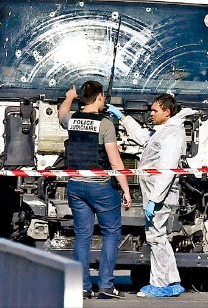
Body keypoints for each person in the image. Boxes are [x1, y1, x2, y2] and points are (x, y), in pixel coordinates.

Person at [107, 93, 194, 298]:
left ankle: (161, 283)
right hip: (156, 195)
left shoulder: (172, 135)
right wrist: (123, 118)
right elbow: (143, 138)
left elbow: (166, 169)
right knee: (157, 237)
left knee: (157, 238)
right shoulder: (163, 132)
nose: (151, 114)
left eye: (155, 110)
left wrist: (155, 199)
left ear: (167, 111)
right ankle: (169, 281)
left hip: (161, 196)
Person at [58, 81, 132, 300]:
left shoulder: (72, 120)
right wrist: (125, 189)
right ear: (99, 97)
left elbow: (62, 113)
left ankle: (82, 286)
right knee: (111, 232)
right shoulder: (105, 124)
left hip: (76, 185)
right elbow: (116, 162)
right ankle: (106, 285)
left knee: (82, 236)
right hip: (100, 186)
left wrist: (70, 96)